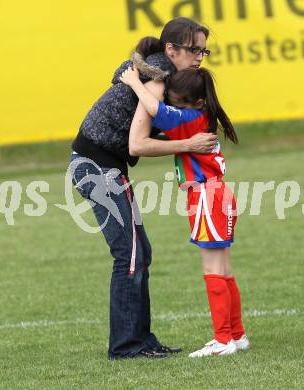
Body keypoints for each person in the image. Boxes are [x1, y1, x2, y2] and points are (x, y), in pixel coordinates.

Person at [69, 17, 217, 360]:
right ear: (171, 49)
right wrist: (189, 145)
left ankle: (142, 340)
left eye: (203, 51)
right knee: (130, 254)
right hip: (95, 167)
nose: (199, 58)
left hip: (104, 166)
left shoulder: (155, 72)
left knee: (140, 252)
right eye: (194, 49)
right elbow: (137, 145)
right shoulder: (157, 78)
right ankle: (125, 346)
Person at [120, 65, 251, 357]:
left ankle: (223, 340)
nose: (172, 107)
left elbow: (155, 109)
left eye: (177, 102)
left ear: (196, 103)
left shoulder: (191, 117)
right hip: (217, 194)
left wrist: (134, 82)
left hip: (207, 195)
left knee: (213, 270)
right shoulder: (199, 117)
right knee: (224, 270)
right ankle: (236, 335)